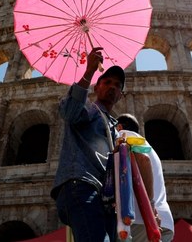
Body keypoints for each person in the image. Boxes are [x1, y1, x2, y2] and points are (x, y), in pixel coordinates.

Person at [51, 47, 125, 242]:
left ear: (121, 95)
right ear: (96, 88)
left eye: (117, 85)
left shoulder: (113, 126)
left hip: (103, 195)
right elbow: (70, 113)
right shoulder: (90, 109)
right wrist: (89, 71)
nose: (112, 87)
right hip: (81, 184)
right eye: (107, 82)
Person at [116, 113, 174, 242]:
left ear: (119, 127)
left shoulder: (124, 135)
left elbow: (143, 160)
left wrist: (150, 208)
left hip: (142, 218)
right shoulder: (151, 149)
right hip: (164, 221)